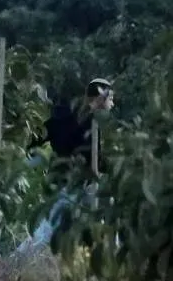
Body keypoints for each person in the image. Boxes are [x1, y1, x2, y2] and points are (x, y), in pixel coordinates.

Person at [17, 77, 115, 254]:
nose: (112, 104)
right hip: (73, 183)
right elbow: (90, 156)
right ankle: (16, 259)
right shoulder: (87, 121)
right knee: (49, 228)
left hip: (76, 182)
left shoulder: (71, 116)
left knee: (99, 221)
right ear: (100, 98)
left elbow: (39, 136)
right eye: (110, 98)